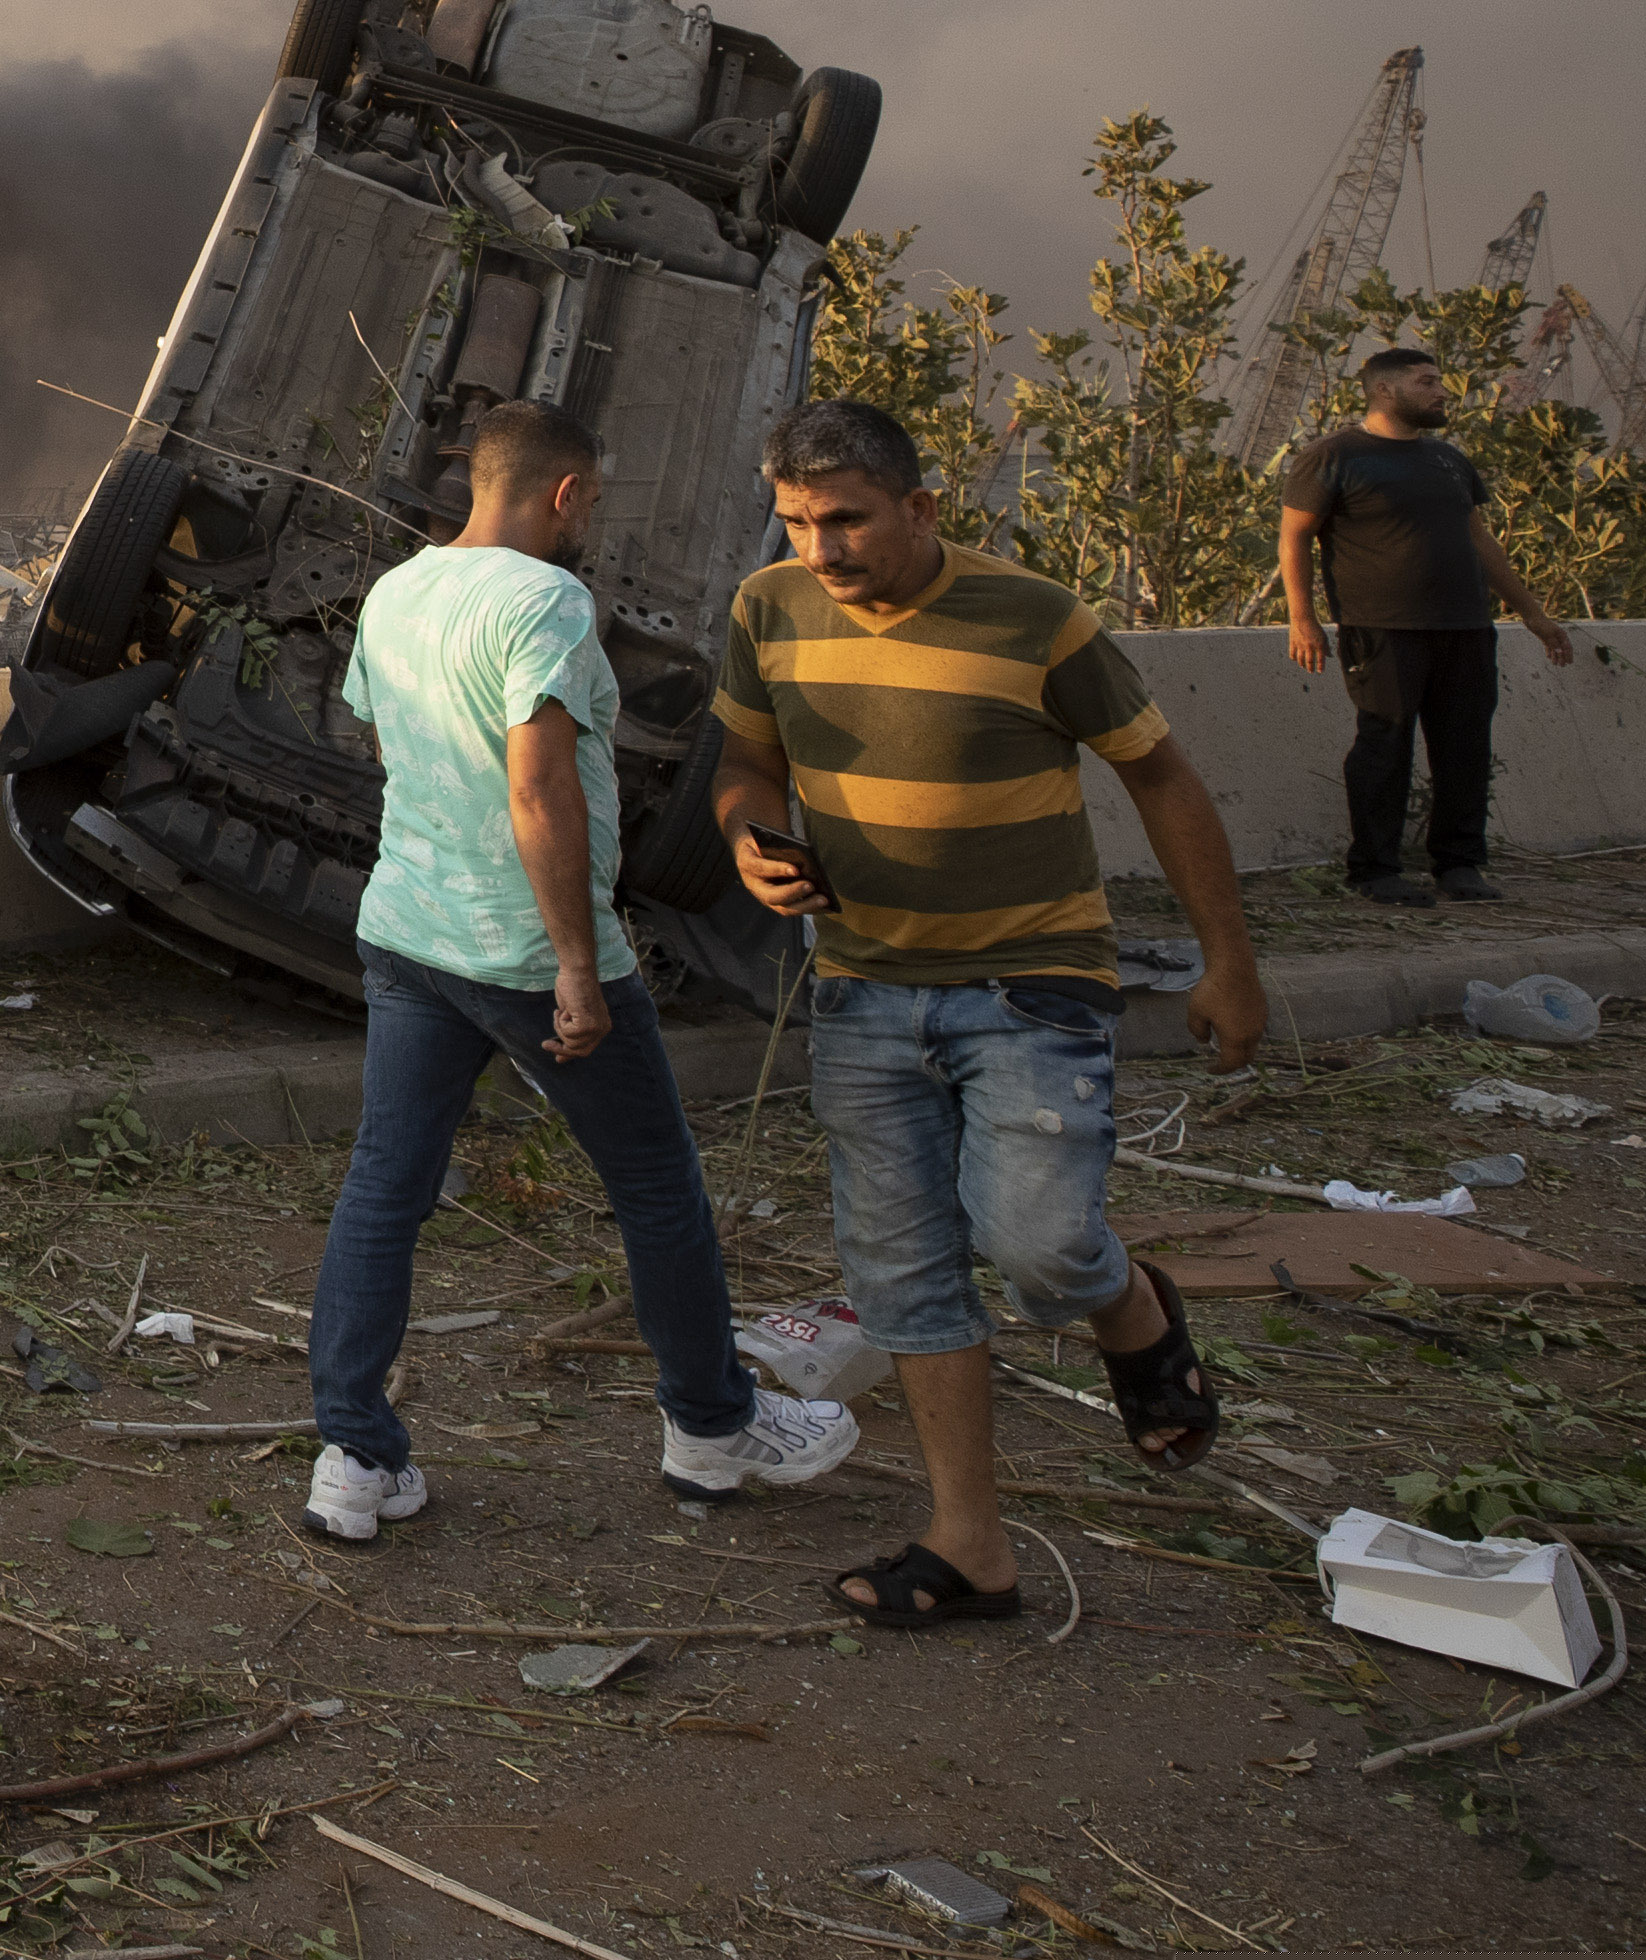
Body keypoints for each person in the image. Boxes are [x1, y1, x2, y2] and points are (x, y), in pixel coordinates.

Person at [710, 397, 1269, 1631]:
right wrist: (751, 838)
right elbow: (745, 766)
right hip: (861, 991)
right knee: (905, 1272)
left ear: (919, 508)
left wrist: (1229, 964)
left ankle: (1133, 1307)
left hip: (1031, 985)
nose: (823, 549)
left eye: (848, 520)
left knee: (1041, 1249)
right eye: (798, 522)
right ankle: (972, 1547)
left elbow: (1161, 775)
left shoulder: (1036, 618)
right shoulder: (769, 609)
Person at [298, 402, 856, 1548]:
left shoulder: (398, 590)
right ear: (563, 493)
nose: (589, 521)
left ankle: (353, 1457)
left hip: (407, 934)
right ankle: (712, 1430)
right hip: (521, 949)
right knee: (657, 1190)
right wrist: (574, 965)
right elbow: (539, 789)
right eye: (591, 502)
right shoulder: (548, 601)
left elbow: (383, 738)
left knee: (383, 1191)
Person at [1273, 347, 1571, 905]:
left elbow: (1481, 541)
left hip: (1465, 625)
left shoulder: (1448, 459)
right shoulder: (1334, 456)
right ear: (1385, 390)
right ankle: (1374, 871)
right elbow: (1294, 538)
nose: (1442, 391)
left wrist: (1532, 613)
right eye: (1427, 381)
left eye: (1439, 381)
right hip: (1382, 628)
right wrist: (1302, 619)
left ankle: (1459, 865)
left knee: (1465, 746)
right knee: (1384, 744)